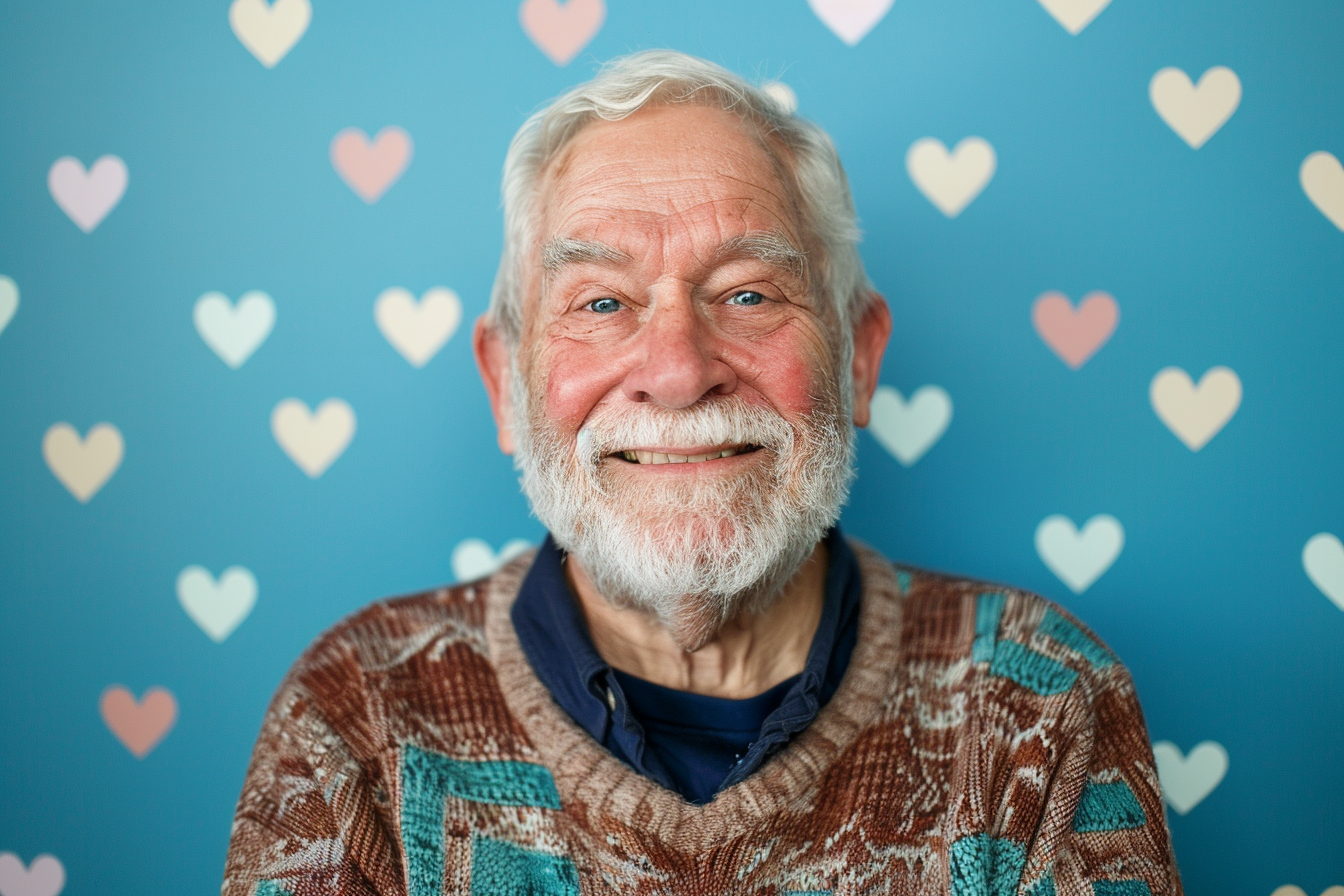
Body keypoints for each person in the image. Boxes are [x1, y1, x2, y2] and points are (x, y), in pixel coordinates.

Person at [222, 50, 1182, 896]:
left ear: (857, 358)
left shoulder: (1037, 699)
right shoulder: (358, 716)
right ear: (504, 385)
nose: (678, 372)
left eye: (749, 293)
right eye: (601, 302)